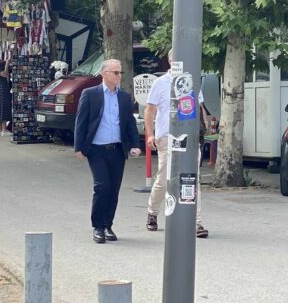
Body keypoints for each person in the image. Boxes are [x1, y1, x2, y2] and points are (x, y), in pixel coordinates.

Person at [74, 59, 141, 244]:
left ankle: (107, 225)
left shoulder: (124, 97)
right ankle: (98, 226)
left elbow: (129, 123)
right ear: (104, 74)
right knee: (102, 186)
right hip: (96, 149)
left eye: (120, 73)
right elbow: (81, 121)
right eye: (115, 72)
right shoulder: (90, 94)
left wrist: (136, 144)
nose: (119, 76)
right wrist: (78, 147)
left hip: (117, 149)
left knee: (113, 189)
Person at [144, 49, 209, 238]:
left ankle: (196, 222)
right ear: (170, 61)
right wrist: (150, 134)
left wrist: (204, 126)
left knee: (192, 179)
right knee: (164, 179)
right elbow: (149, 110)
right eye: (177, 60)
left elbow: (199, 108)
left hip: (190, 137)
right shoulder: (160, 83)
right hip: (167, 136)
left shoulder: (192, 82)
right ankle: (152, 211)